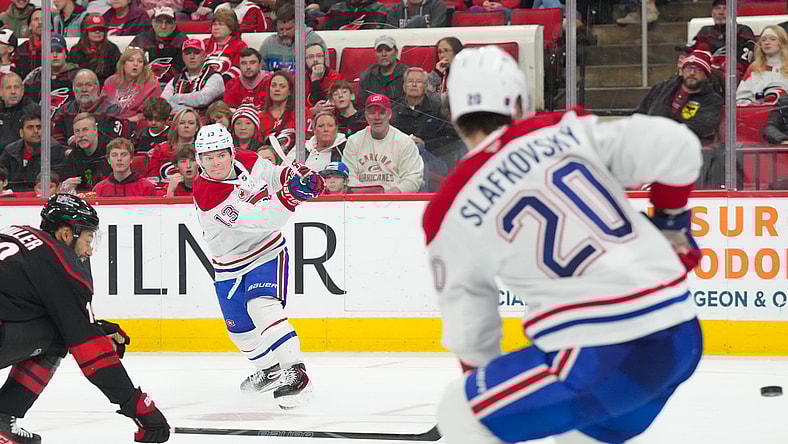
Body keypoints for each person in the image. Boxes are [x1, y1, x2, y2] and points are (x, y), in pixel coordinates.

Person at [425, 45, 704, 444]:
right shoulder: (566, 129)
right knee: (577, 430)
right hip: (681, 336)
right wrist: (671, 225)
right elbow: (677, 145)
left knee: (461, 409)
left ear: (453, 112)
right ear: (519, 102)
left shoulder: (449, 207)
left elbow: (470, 328)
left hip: (602, 353)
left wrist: (484, 389)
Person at [0, 193, 170, 444]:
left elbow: (21, 306)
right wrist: (139, 407)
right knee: (61, 336)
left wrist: (95, 326)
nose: (90, 250)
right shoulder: (62, 263)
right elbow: (89, 351)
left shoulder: (15, 233)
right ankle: (3, 418)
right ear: (66, 234)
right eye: (88, 238)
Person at [191, 123, 324, 408]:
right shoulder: (207, 194)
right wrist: (293, 195)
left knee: (261, 306)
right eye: (207, 157)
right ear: (199, 160)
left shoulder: (249, 160)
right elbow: (260, 218)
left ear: (230, 152)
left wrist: (294, 176)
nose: (215, 163)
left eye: (220, 155)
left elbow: (275, 176)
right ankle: (270, 369)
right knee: (238, 329)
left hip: (266, 252)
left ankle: (297, 374)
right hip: (227, 265)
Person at [636, 49, 723, 144]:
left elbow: (698, 128)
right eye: (689, 68)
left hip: (684, 149)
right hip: (650, 144)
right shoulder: (662, 88)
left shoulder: (712, 101)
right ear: (683, 70)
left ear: (706, 76)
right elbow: (640, 114)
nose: (692, 73)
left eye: (698, 69)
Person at [342, 94, 424, 192]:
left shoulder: (405, 142)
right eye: (372, 113)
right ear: (366, 116)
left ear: (389, 114)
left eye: (381, 113)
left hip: (395, 201)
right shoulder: (354, 141)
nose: (377, 117)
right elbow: (348, 175)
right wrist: (366, 195)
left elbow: (413, 177)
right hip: (361, 200)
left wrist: (392, 193)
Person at [129, 7, 187, 88]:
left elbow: (184, 70)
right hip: (142, 85)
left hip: (172, 85)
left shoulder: (181, 40)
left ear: (174, 25)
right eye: (159, 22)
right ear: (153, 23)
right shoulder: (141, 40)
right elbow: (128, 66)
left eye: (168, 22)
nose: (163, 26)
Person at [103, 46, 163, 122]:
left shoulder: (152, 86)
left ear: (144, 66)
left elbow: (147, 114)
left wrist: (124, 122)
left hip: (133, 125)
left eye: (140, 61)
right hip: (107, 123)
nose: (136, 64)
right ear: (123, 64)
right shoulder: (110, 81)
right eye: (131, 60)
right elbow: (101, 106)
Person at [67, 14, 122, 84]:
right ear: (86, 32)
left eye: (101, 29)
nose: (97, 32)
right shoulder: (76, 50)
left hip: (106, 86)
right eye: (93, 29)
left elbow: (119, 71)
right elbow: (71, 74)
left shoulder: (112, 49)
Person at [15, 7, 40, 80]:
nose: (40, 22)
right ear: (29, 26)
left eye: (44, 19)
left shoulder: (56, 47)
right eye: (36, 19)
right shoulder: (21, 50)